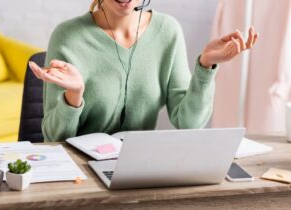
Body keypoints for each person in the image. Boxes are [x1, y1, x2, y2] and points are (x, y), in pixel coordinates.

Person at [29, 0, 258, 142]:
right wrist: (74, 96)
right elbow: (54, 138)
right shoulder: (67, 37)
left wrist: (206, 66)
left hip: (139, 172)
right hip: (81, 174)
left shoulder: (168, 31)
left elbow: (189, 123)